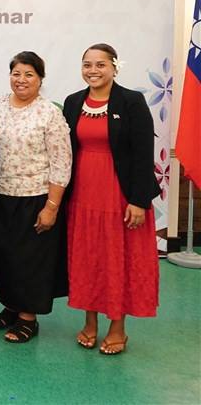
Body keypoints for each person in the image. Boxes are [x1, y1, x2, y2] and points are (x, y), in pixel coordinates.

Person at [63, 43, 159, 355]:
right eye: (87, 64)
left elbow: (144, 154)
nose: (93, 70)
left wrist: (139, 200)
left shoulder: (131, 101)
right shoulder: (73, 102)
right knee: (89, 256)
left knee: (118, 257)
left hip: (120, 194)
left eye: (100, 64)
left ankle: (117, 326)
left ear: (114, 67)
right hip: (83, 194)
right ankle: (89, 322)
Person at [0, 51, 72, 343]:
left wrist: (52, 206)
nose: (21, 80)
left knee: (30, 260)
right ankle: (11, 307)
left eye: (29, 75)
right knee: (4, 256)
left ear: (40, 79)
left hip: (35, 196)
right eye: (16, 73)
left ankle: (28, 318)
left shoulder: (49, 112)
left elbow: (62, 162)